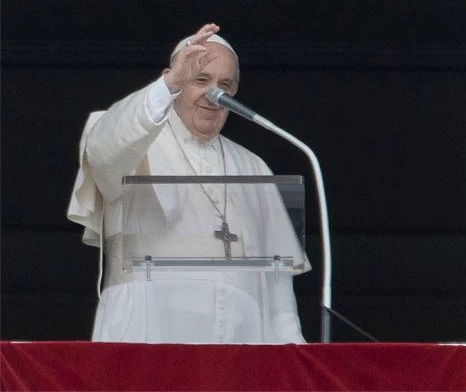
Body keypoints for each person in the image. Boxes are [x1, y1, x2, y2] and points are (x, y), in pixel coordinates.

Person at [66, 23, 310, 344]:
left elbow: (279, 282)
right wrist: (168, 86)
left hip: (241, 342)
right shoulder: (132, 139)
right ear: (174, 77)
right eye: (200, 80)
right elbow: (104, 150)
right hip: (149, 333)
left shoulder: (254, 166)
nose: (214, 94)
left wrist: (293, 351)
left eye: (225, 84)